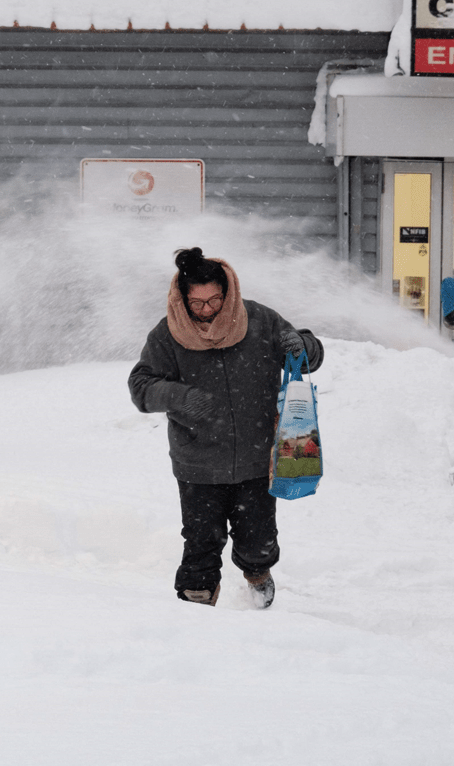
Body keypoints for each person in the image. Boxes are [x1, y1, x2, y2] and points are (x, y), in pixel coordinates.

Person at [128, 248, 324, 608]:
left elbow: (309, 356)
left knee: (258, 538)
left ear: (228, 291)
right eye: (197, 303)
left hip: (255, 457)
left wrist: (304, 345)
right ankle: (196, 599)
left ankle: (257, 573)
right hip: (198, 462)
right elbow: (141, 387)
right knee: (202, 540)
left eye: (215, 299)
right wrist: (175, 395)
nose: (208, 310)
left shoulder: (259, 321)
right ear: (182, 299)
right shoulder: (167, 334)